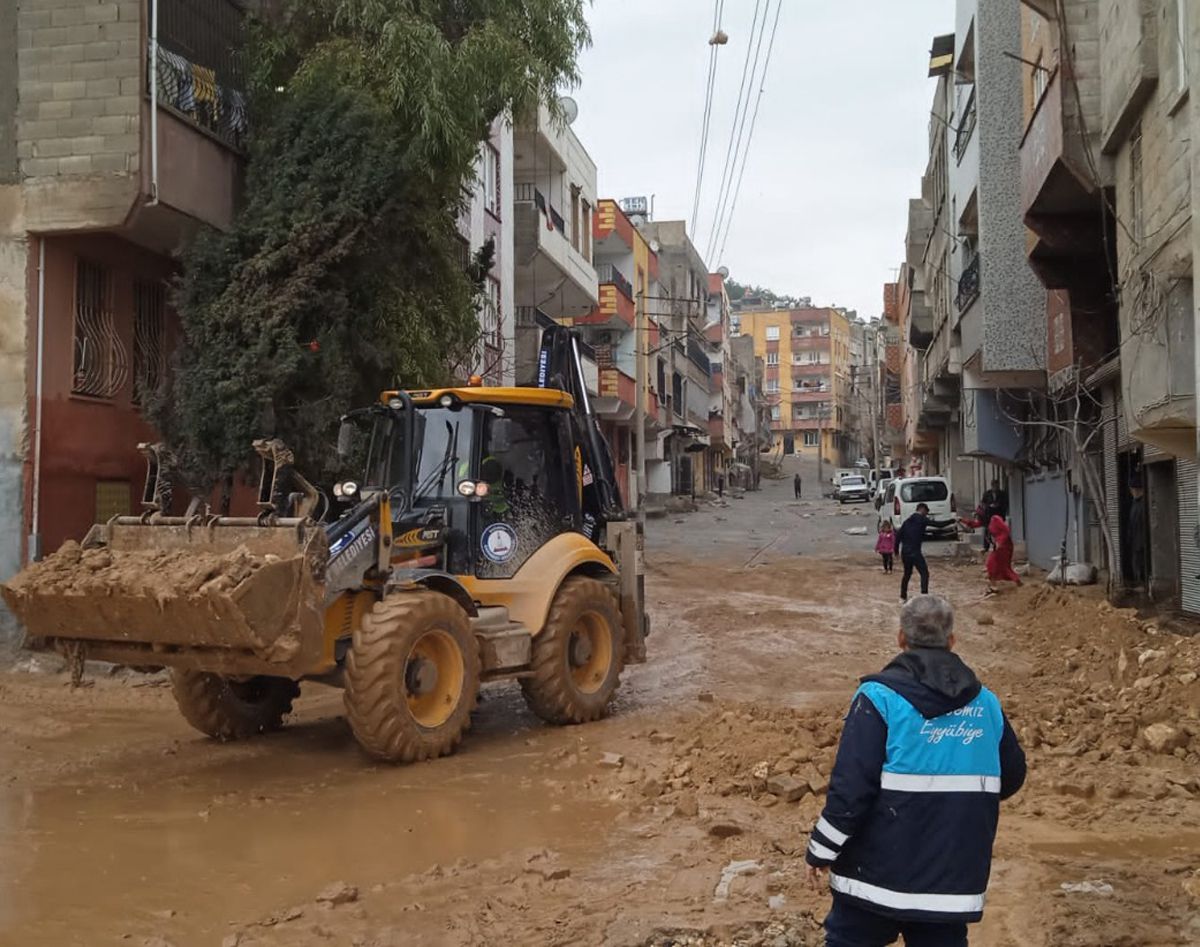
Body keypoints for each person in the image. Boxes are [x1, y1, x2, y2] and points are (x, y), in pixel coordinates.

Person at [805, 595, 1026, 947]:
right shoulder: (986, 704)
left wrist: (821, 850)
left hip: (874, 882)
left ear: (901, 639)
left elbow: (851, 788)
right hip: (949, 884)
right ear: (952, 640)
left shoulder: (879, 698)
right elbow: (1011, 777)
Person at [959, 512, 1022, 594]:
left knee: (995, 565)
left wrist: (1000, 542)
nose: (977, 519)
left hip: (1005, 547)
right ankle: (1015, 583)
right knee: (999, 567)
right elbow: (973, 524)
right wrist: (962, 520)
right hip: (1000, 547)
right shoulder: (985, 522)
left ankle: (996, 586)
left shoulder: (995, 519)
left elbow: (1006, 530)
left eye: (978, 517)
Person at [894, 502, 930, 602]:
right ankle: (924, 596)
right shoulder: (922, 519)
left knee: (907, 574)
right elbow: (939, 525)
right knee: (924, 573)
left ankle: (903, 596)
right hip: (915, 552)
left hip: (905, 552)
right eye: (926, 512)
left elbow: (898, 536)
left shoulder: (907, 521)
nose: (926, 514)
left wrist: (896, 551)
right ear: (922, 510)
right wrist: (953, 520)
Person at [979, 481, 1008, 553]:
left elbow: (1005, 504)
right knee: (987, 531)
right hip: (989, 516)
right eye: (994, 486)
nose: (995, 488)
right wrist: (988, 506)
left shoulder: (1002, 494)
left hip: (998, 515)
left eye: (997, 486)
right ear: (992, 486)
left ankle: (998, 546)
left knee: (999, 532)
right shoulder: (987, 494)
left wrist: (998, 506)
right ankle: (986, 547)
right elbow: (983, 503)